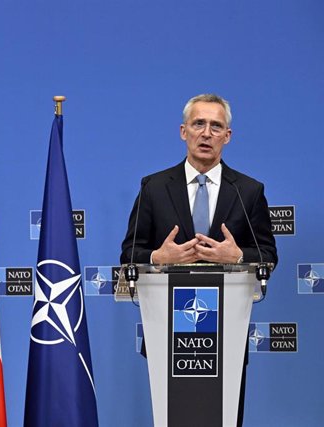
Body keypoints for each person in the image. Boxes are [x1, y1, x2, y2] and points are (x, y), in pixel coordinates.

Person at [120, 94, 278, 427]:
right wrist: (158, 257)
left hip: (226, 336)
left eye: (216, 126)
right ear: (183, 131)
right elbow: (129, 256)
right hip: (168, 331)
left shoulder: (248, 190)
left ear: (227, 136)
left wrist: (235, 256)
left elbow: (267, 255)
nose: (206, 133)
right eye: (198, 124)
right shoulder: (154, 187)